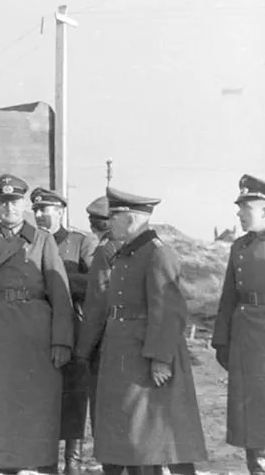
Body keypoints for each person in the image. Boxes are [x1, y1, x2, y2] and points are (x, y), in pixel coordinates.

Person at [75, 187, 207, 475]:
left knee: (153, 436)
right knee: (133, 437)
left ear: (132, 220)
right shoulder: (127, 254)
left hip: (146, 357)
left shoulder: (158, 254)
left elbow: (169, 311)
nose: (109, 223)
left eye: (114, 217)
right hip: (123, 354)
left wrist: (160, 358)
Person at [0, 174, 73, 474]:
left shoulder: (42, 239)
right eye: (2, 202)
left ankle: (40, 465)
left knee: (36, 403)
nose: (9, 208)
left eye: (14, 202)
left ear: (24, 204)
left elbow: (61, 294)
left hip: (34, 329)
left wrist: (62, 340)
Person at [31, 187, 98, 475]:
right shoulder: (28, 243)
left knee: (74, 398)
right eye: (36, 210)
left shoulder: (80, 242)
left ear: (60, 212)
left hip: (73, 329)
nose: (39, 215)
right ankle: (45, 466)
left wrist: (56, 278)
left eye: (45, 209)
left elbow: (96, 282)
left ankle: (73, 464)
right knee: (41, 399)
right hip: (36, 331)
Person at [212, 174, 265, 474]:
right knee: (250, 413)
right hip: (245, 339)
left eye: (246, 207)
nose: (239, 213)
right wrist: (221, 339)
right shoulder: (239, 247)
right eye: (239, 206)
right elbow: (228, 296)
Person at [82, 196, 122, 436]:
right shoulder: (138, 247)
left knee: (103, 404)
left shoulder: (104, 250)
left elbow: (97, 301)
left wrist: (83, 349)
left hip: (106, 340)